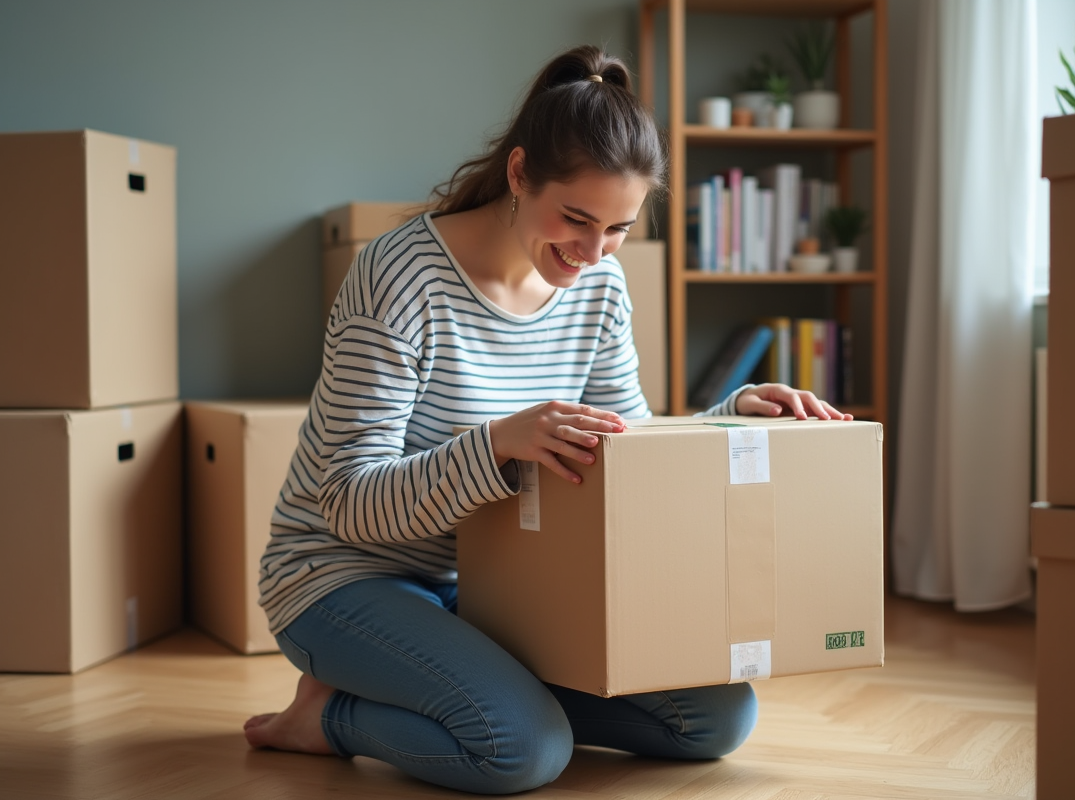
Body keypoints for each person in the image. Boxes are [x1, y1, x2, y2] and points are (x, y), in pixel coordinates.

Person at [243, 44, 852, 795]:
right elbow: (347, 503)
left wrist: (732, 418)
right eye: (576, 218)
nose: (594, 252)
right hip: (341, 575)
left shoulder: (599, 289)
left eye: (620, 228)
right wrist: (498, 445)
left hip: (495, 582)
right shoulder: (400, 276)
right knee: (521, 751)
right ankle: (328, 719)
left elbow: (620, 453)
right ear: (520, 173)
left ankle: (459, 690)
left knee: (716, 719)